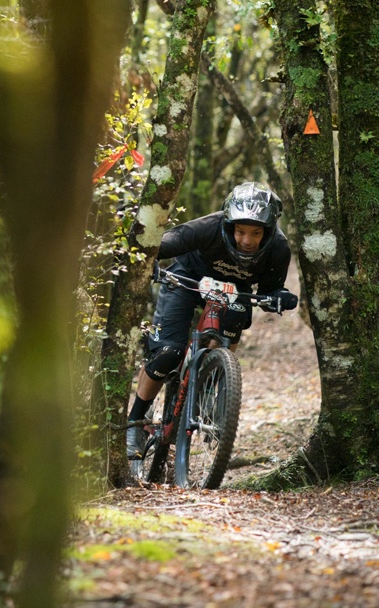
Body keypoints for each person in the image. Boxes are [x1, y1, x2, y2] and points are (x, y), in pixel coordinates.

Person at [126, 181, 297, 460]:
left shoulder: (278, 248)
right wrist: (149, 260)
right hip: (186, 281)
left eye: (256, 233)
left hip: (236, 294)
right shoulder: (207, 227)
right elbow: (163, 244)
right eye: (240, 231)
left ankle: (214, 386)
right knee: (168, 352)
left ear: (268, 231)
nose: (246, 240)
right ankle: (135, 421)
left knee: (228, 335)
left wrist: (280, 297)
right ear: (229, 225)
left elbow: (268, 291)